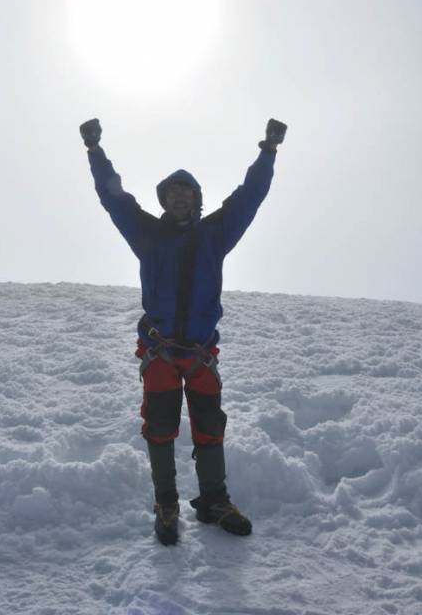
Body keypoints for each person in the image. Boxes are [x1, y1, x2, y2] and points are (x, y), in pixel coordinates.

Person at [80, 117, 286, 545]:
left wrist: (267, 151)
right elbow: (113, 197)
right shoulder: (147, 233)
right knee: (160, 425)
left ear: (196, 200)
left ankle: (214, 501)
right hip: (159, 349)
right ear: (164, 200)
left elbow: (249, 197)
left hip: (201, 352)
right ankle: (167, 504)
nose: (179, 197)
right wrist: (95, 151)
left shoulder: (215, 234)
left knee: (210, 425)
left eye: (187, 192)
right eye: (172, 192)